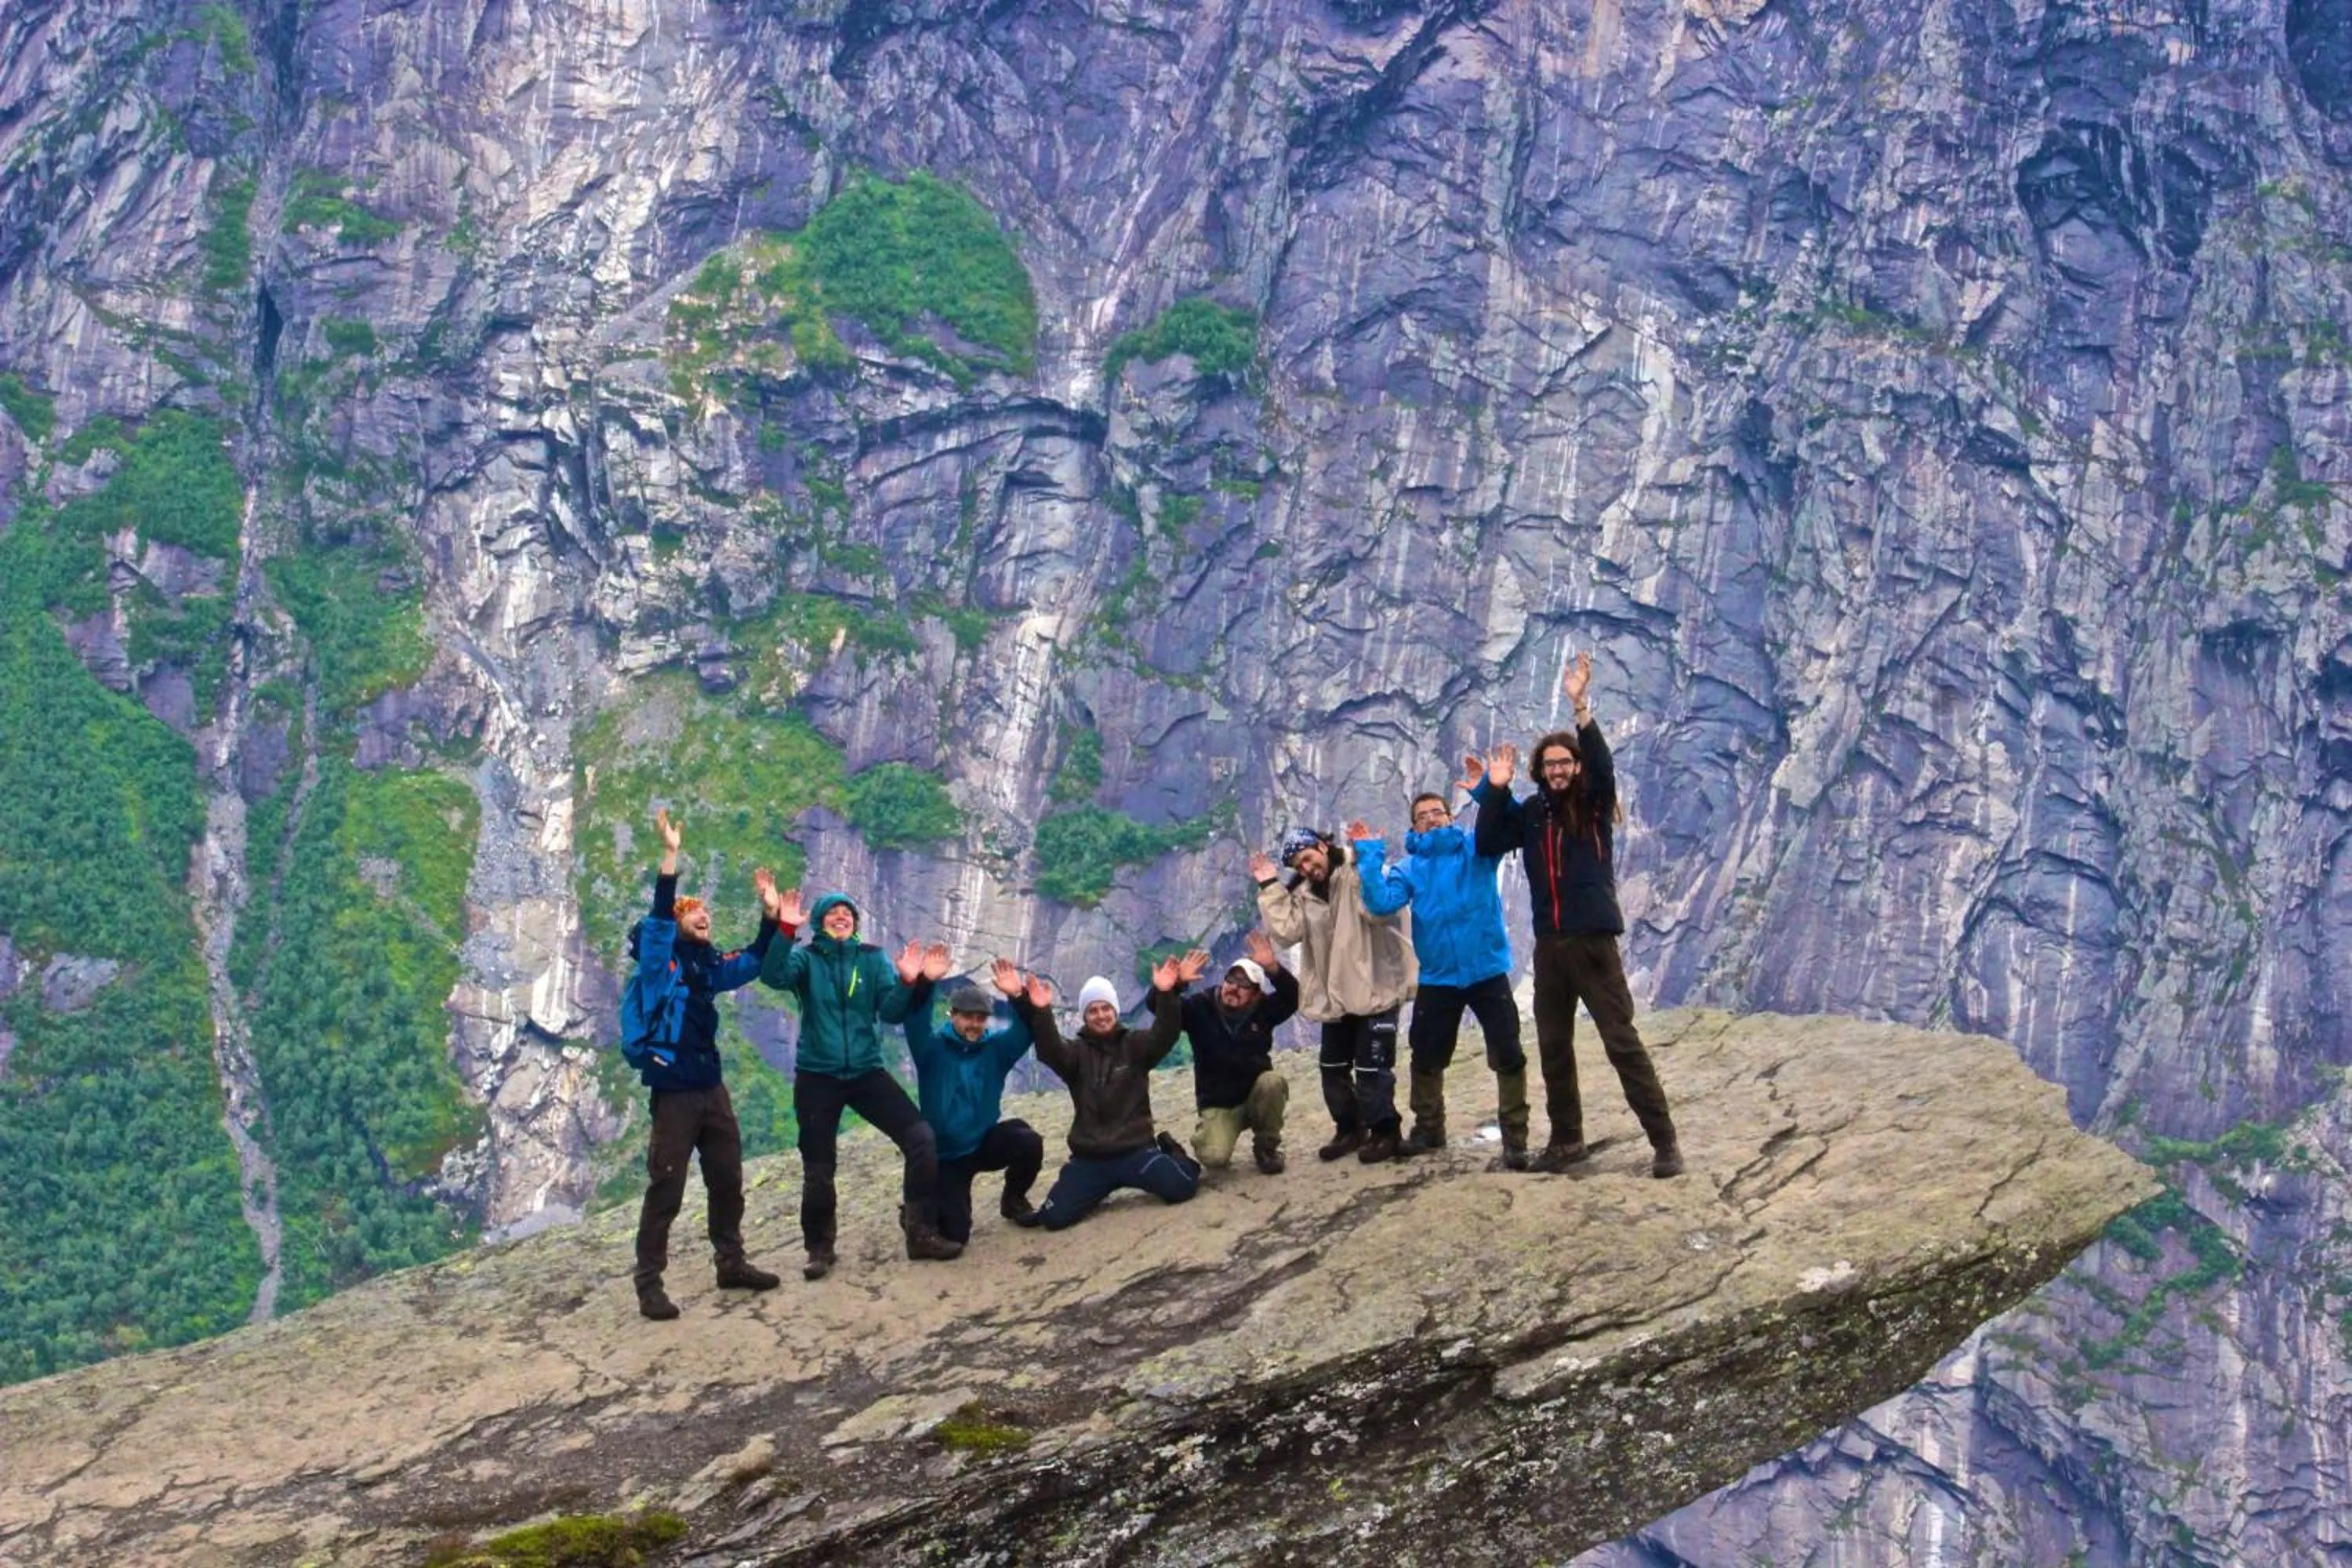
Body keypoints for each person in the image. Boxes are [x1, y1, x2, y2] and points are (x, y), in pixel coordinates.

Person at [1473, 651, 1684, 1178]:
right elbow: (1488, 842)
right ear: (1540, 772)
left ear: (1576, 767)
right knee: (1553, 1047)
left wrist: (1580, 707)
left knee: (1621, 1041)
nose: (1558, 770)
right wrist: (1495, 791)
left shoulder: (1591, 805)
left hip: (1592, 942)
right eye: (1550, 765)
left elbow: (1604, 769)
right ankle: (1567, 1141)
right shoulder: (1532, 813)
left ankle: (1664, 1142)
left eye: (1564, 763)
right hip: (1550, 946)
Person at [625, 808, 784, 1320]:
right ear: (676, 924)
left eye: (706, 911)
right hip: (673, 1090)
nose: (704, 916)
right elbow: (657, 922)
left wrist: (770, 916)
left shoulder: (707, 966)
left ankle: (731, 1263)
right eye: (693, 912)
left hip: (711, 1087)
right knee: (666, 1187)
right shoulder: (661, 966)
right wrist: (670, 857)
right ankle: (649, 1285)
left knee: (727, 1178)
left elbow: (752, 962)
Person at [757, 887, 963, 1276]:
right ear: (820, 923)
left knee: (921, 1139)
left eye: (847, 913)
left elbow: (891, 1012)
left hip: (867, 1070)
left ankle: (920, 1232)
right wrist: (785, 929)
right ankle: (820, 1249)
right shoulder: (807, 959)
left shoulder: (871, 959)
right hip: (817, 1075)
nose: (841, 916)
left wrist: (908, 982)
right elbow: (773, 975)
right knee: (819, 1168)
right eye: (833, 912)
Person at [1357, 783, 1533, 1167]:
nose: (1430, 819)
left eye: (1437, 812)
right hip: (1438, 977)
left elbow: (1513, 824)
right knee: (1426, 1054)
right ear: (1414, 828)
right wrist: (1369, 856)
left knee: (1508, 1053)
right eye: (1422, 817)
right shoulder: (1409, 868)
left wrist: (1489, 791)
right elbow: (1381, 902)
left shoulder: (1476, 848)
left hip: (1487, 970)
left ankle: (1515, 1138)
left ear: (1451, 817)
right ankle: (1429, 1129)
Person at [1252, 826, 1417, 1163]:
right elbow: (1287, 932)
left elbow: (1378, 910)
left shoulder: (1357, 872)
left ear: (1322, 846)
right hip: (1336, 994)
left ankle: (1386, 1132)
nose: (1306, 869)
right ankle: (1350, 1128)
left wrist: (1368, 853)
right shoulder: (1305, 893)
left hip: (1376, 986)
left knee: (1372, 1069)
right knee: (1332, 1067)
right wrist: (1270, 886)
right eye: (1299, 866)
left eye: (1308, 859)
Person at [1026, 960, 1202, 1229]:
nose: (1101, 1015)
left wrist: (1167, 994)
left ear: (1115, 1011)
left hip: (1136, 1151)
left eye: (1106, 1008)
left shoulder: (1135, 1045)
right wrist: (1041, 1011)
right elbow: (1050, 1050)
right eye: (1093, 1010)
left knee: (1183, 1187)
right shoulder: (1075, 1055)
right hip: (1091, 1159)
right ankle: (1089, 1188)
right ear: (1085, 1016)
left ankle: (1174, 1154)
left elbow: (1166, 1033)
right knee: (1053, 1218)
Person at [898, 946, 1047, 1244]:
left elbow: (1025, 1032)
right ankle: (917, 1212)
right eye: (968, 1017)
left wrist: (1017, 996)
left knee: (1028, 1142)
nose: (975, 1024)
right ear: (952, 1015)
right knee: (956, 1235)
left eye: (981, 1018)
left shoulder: (995, 1050)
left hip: (982, 1142)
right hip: (947, 1156)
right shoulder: (931, 1050)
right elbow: (915, 1021)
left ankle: (1014, 1200)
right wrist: (927, 981)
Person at [1177, 930, 1299, 1174]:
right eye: (1231, 980)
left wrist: (1273, 969)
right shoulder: (1201, 1007)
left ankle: (1266, 1147)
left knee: (1272, 1083)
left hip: (1255, 1096)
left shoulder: (1264, 1011)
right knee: (1213, 1158)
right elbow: (1160, 1010)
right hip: (1219, 1104)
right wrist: (1176, 984)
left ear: (1256, 994)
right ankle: (1209, 1134)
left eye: (1244, 985)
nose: (1234, 987)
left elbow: (1294, 996)